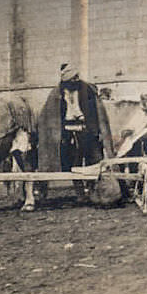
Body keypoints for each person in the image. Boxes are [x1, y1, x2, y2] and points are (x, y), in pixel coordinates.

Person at [36, 63, 113, 203]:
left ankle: (94, 191)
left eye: (77, 76)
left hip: (87, 130)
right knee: (73, 163)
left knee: (94, 161)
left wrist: (98, 131)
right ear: (66, 80)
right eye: (73, 78)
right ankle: (80, 192)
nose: (76, 80)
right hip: (68, 132)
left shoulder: (87, 89)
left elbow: (97, 112)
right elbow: (48, 116)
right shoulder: (56, 94)